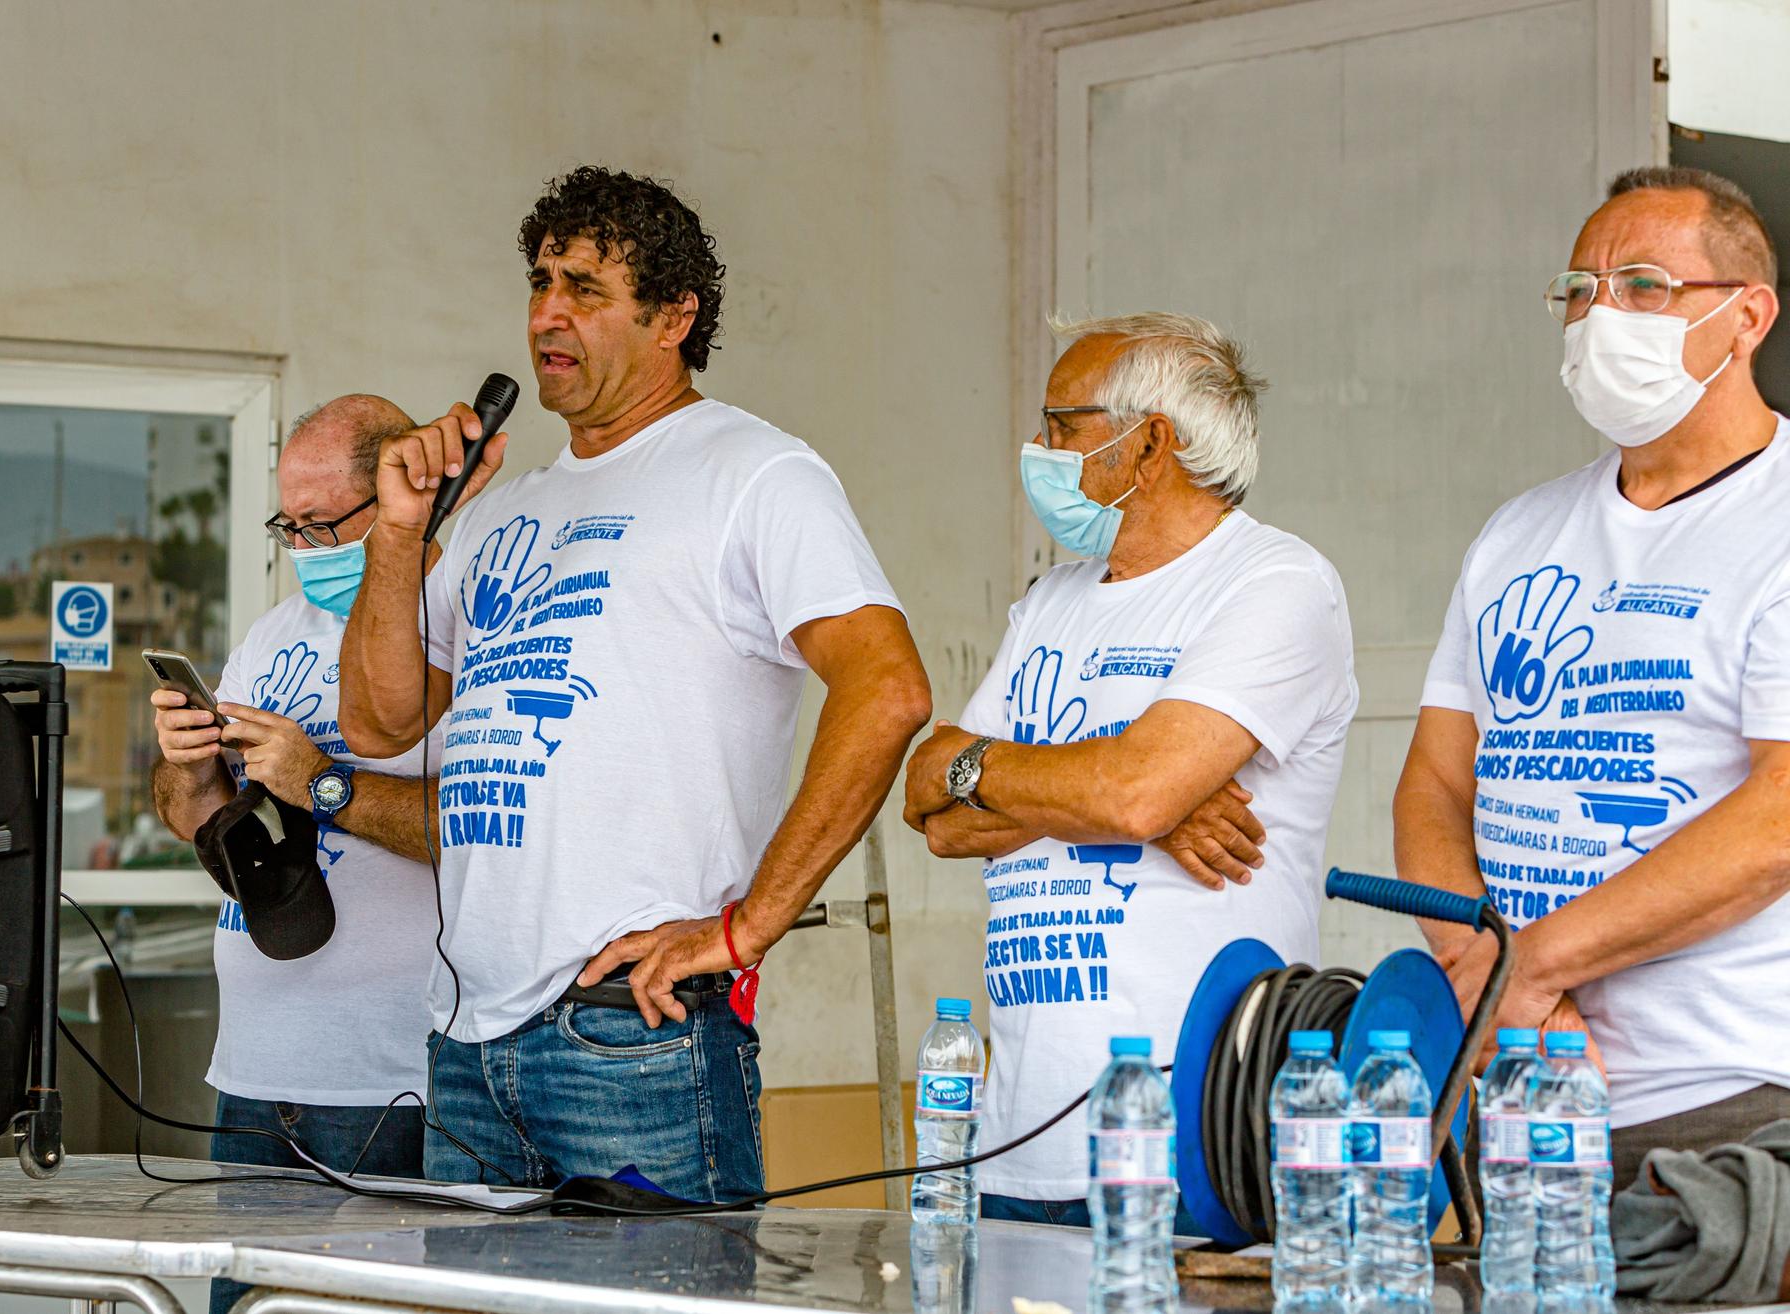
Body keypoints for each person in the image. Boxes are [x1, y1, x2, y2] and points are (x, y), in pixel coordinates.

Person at [337, 166, 932, 1200]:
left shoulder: (752, 473)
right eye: (538, 282)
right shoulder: (496, 509)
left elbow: (887, 691)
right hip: (468, 1042)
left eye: (584, 288)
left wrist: (744, 928)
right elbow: (379, 721)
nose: (547, 314)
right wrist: (397, 532)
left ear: (673, 316)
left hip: (630, 1036)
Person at [904, 312, 1358, 1227]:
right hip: (1018, 1146)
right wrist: (1130, 803)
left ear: (1149, 442)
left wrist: (1113, 793)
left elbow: (1130, 787)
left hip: (1187, 1151)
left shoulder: (1274, 583)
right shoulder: (1051, 603)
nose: (1038, 449)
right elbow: (931, 801)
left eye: (1061, 426)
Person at [1395, 166, 1790, 1189]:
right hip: (1518, 1091)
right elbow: (1435, 783)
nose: (1597, 314)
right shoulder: (1517, 532)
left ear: (1745, 317)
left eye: (1644, 286)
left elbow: (1779, 817)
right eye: (1578, 289)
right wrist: (1487, 971)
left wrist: (1535, 965)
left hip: (1723, 1106)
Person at [150, 393, 439, 1186]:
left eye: (321, 525)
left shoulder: (459, 624)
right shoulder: (273, 631)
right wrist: (189, 760)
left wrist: (322, 783)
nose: (304, 551)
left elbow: (480, 826)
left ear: (401, 498)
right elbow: (191, 818)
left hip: (388, 1079)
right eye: (289, 528)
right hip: (252, 1066)